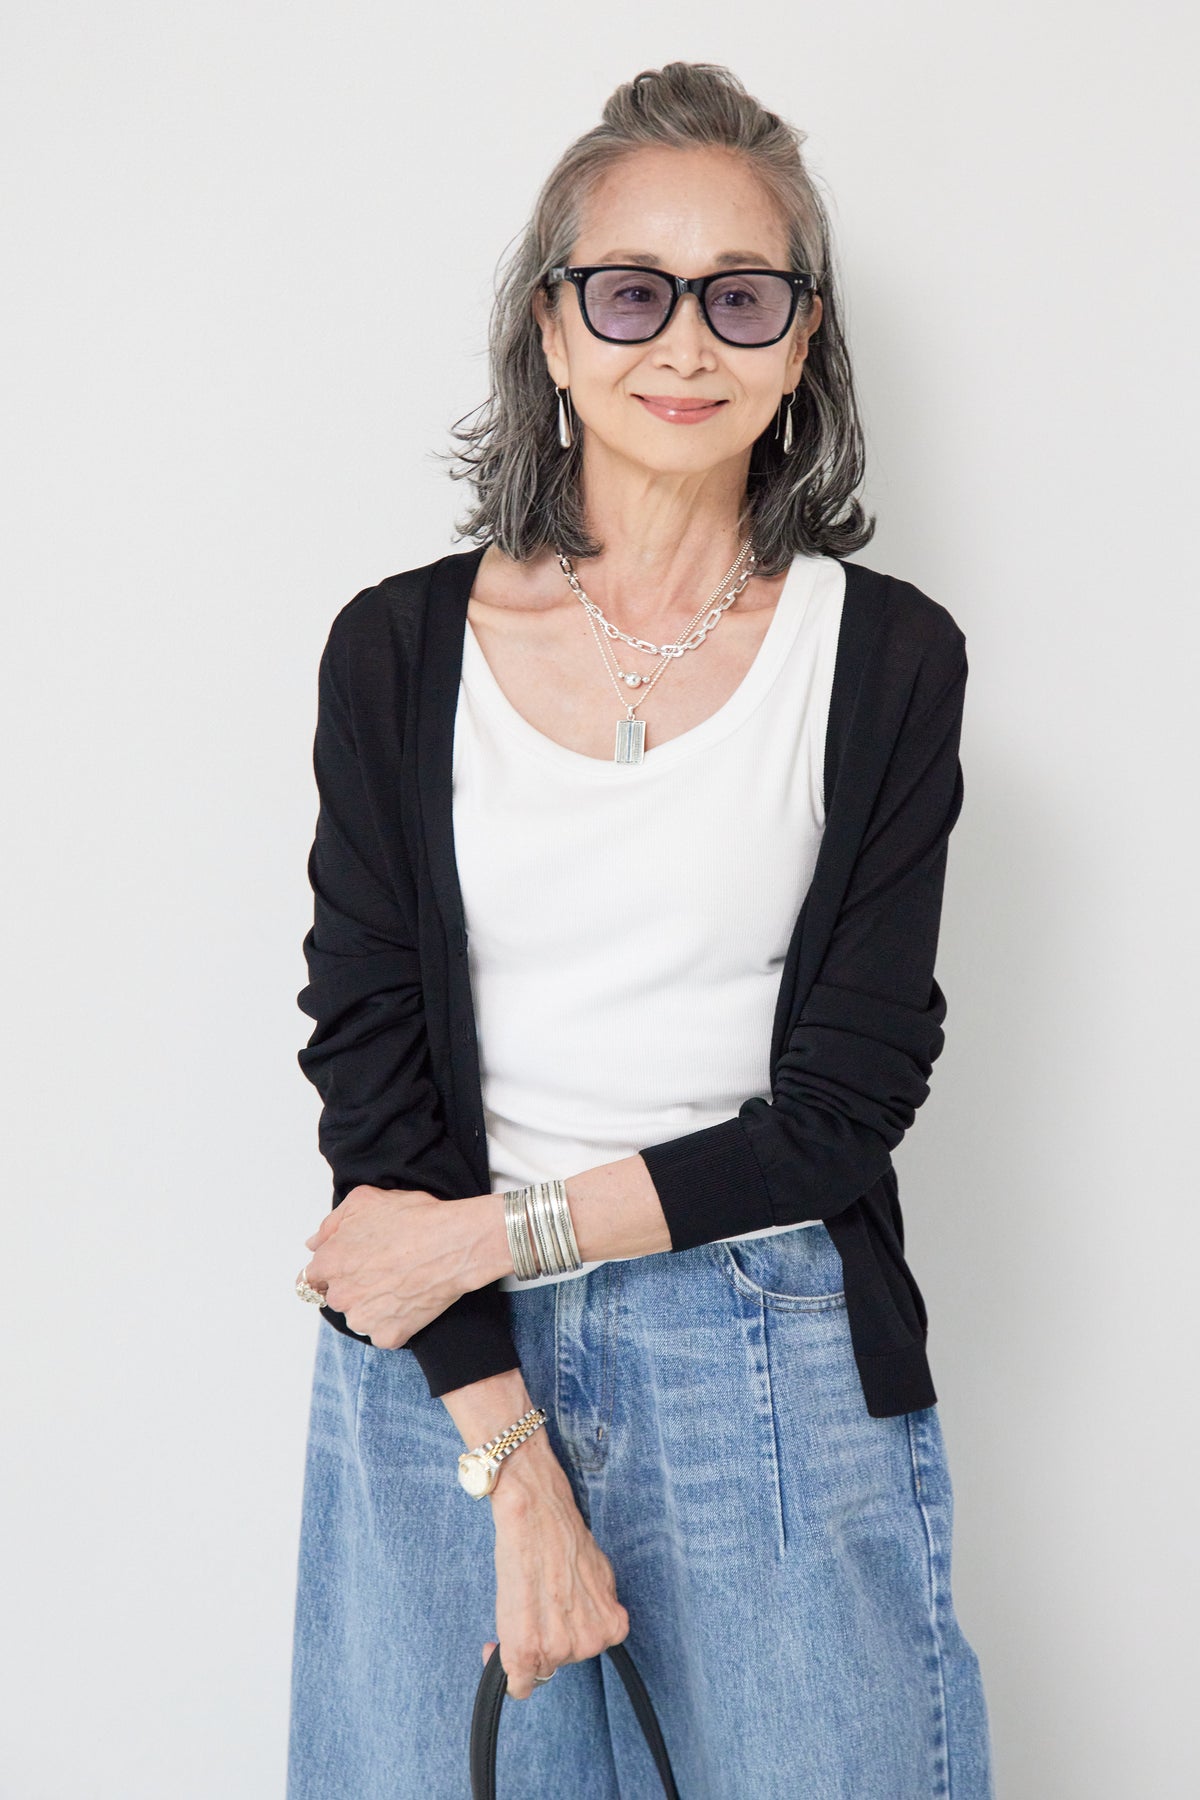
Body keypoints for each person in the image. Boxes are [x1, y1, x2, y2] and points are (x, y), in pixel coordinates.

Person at [287, 59, 996, 1800]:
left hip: (766, 1356)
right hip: (442, 1377)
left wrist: (484, 1238)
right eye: (631, 293)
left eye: (742, 298)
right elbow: (373, 1077)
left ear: (801, 344)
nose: (685, 344)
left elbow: (845, 1109)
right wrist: (512, 1458)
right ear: (551, 329)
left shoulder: (886, 660)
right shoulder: (396, 651)